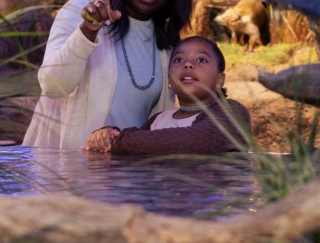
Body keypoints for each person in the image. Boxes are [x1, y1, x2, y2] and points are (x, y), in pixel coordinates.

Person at [23, 0, 195, 149]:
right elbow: (53, 86)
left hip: (127, 180)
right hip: (64, 173)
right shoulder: (81, 11)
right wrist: (88, 31)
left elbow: (157, 127)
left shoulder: (167, 46)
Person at [82, 36, 251, 155]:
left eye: (201, 60)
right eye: (178, 60)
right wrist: (108, 136)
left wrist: (119, 141)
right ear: (169, 78)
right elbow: (138, 148)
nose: (188, 65)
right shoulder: (158, 120)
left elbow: (192, 142)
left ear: (219, 80)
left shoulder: (233, 112)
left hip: (215, 206)